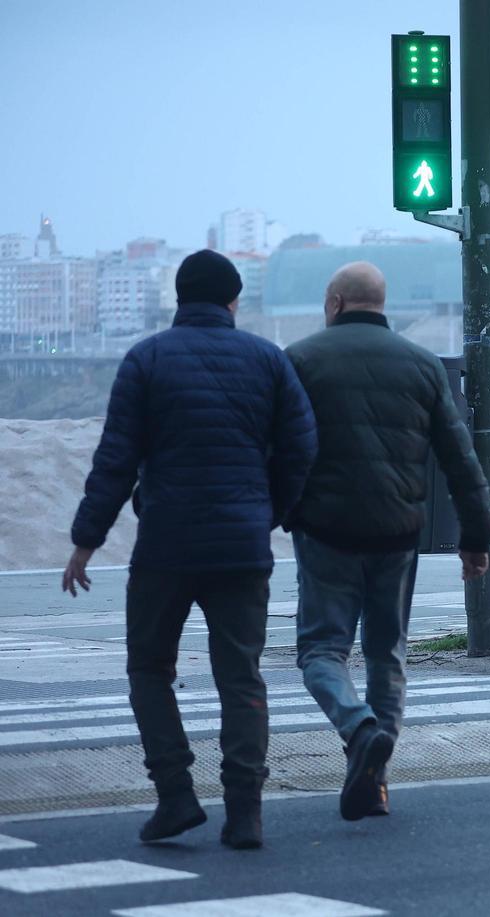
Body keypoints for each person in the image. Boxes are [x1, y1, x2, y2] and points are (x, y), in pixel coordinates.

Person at [63, 250, 317, 849]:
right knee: (241, 678)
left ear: (180, 298)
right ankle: (245, 812)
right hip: (241, 550)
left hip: (165, 550)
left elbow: (116, 459)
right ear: (233, 301)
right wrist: (268, 513)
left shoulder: (146, 359)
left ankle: (176, 796)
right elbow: (302, 448)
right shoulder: (267, 360)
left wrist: (85, 541)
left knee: (150, 669)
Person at [285, 261, 490, 821]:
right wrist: (476, 538)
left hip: (325, 532)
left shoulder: (301, 361)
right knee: (386, 654)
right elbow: (460, 458)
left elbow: (276, 450)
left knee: (322, 650)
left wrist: (282, 514)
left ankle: (358, 729)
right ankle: (374, 781)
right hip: (397, 534)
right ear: (383, 304)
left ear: (334, 302)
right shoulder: (422, 365)